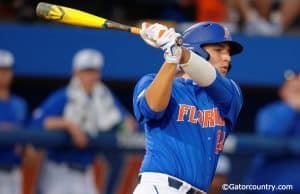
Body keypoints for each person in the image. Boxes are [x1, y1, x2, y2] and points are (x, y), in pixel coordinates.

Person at [132, 21, 243, 194]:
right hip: (160, 188)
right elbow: (153, 108)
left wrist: (180, 53)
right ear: (196, 49)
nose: (227, 58)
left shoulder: (231, 94)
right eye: (218, 50)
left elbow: (208, 77)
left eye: (228, 52)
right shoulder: (152, 82)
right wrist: (172, 56)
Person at [30, 48, 137, 194]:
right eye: (87, 71)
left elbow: (126, 120)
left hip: (85, 172)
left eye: (95, 71)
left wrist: (124, 125)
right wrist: (69, 125)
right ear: (76, 72)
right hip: (59, 170)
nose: (92, 76)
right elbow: (38, 123)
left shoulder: (103, 98)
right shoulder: (64, 96)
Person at [245, 70, 300, 194]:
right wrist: (292, 106)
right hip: (270, 186)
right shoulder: (271, 112)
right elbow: (270, 135)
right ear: (283, 90)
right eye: (293, 86)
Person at [0, 49, 28, 194]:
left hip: (14, 172)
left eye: (7, 70)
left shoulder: (20, 104)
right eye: (0, 70)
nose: (3, 74)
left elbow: (28, 140)